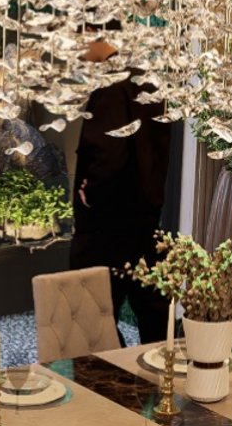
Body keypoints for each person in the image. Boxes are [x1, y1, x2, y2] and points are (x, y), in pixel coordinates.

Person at [68, 35, 174, 344]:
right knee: (155, 325)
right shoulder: (148, 81)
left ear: (95, 33)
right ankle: (154, 374)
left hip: (108, 229)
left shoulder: (112, 85)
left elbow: (110, 152)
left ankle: (114, 375)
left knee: (91, 324)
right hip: (146, 223)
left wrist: (91, 191)